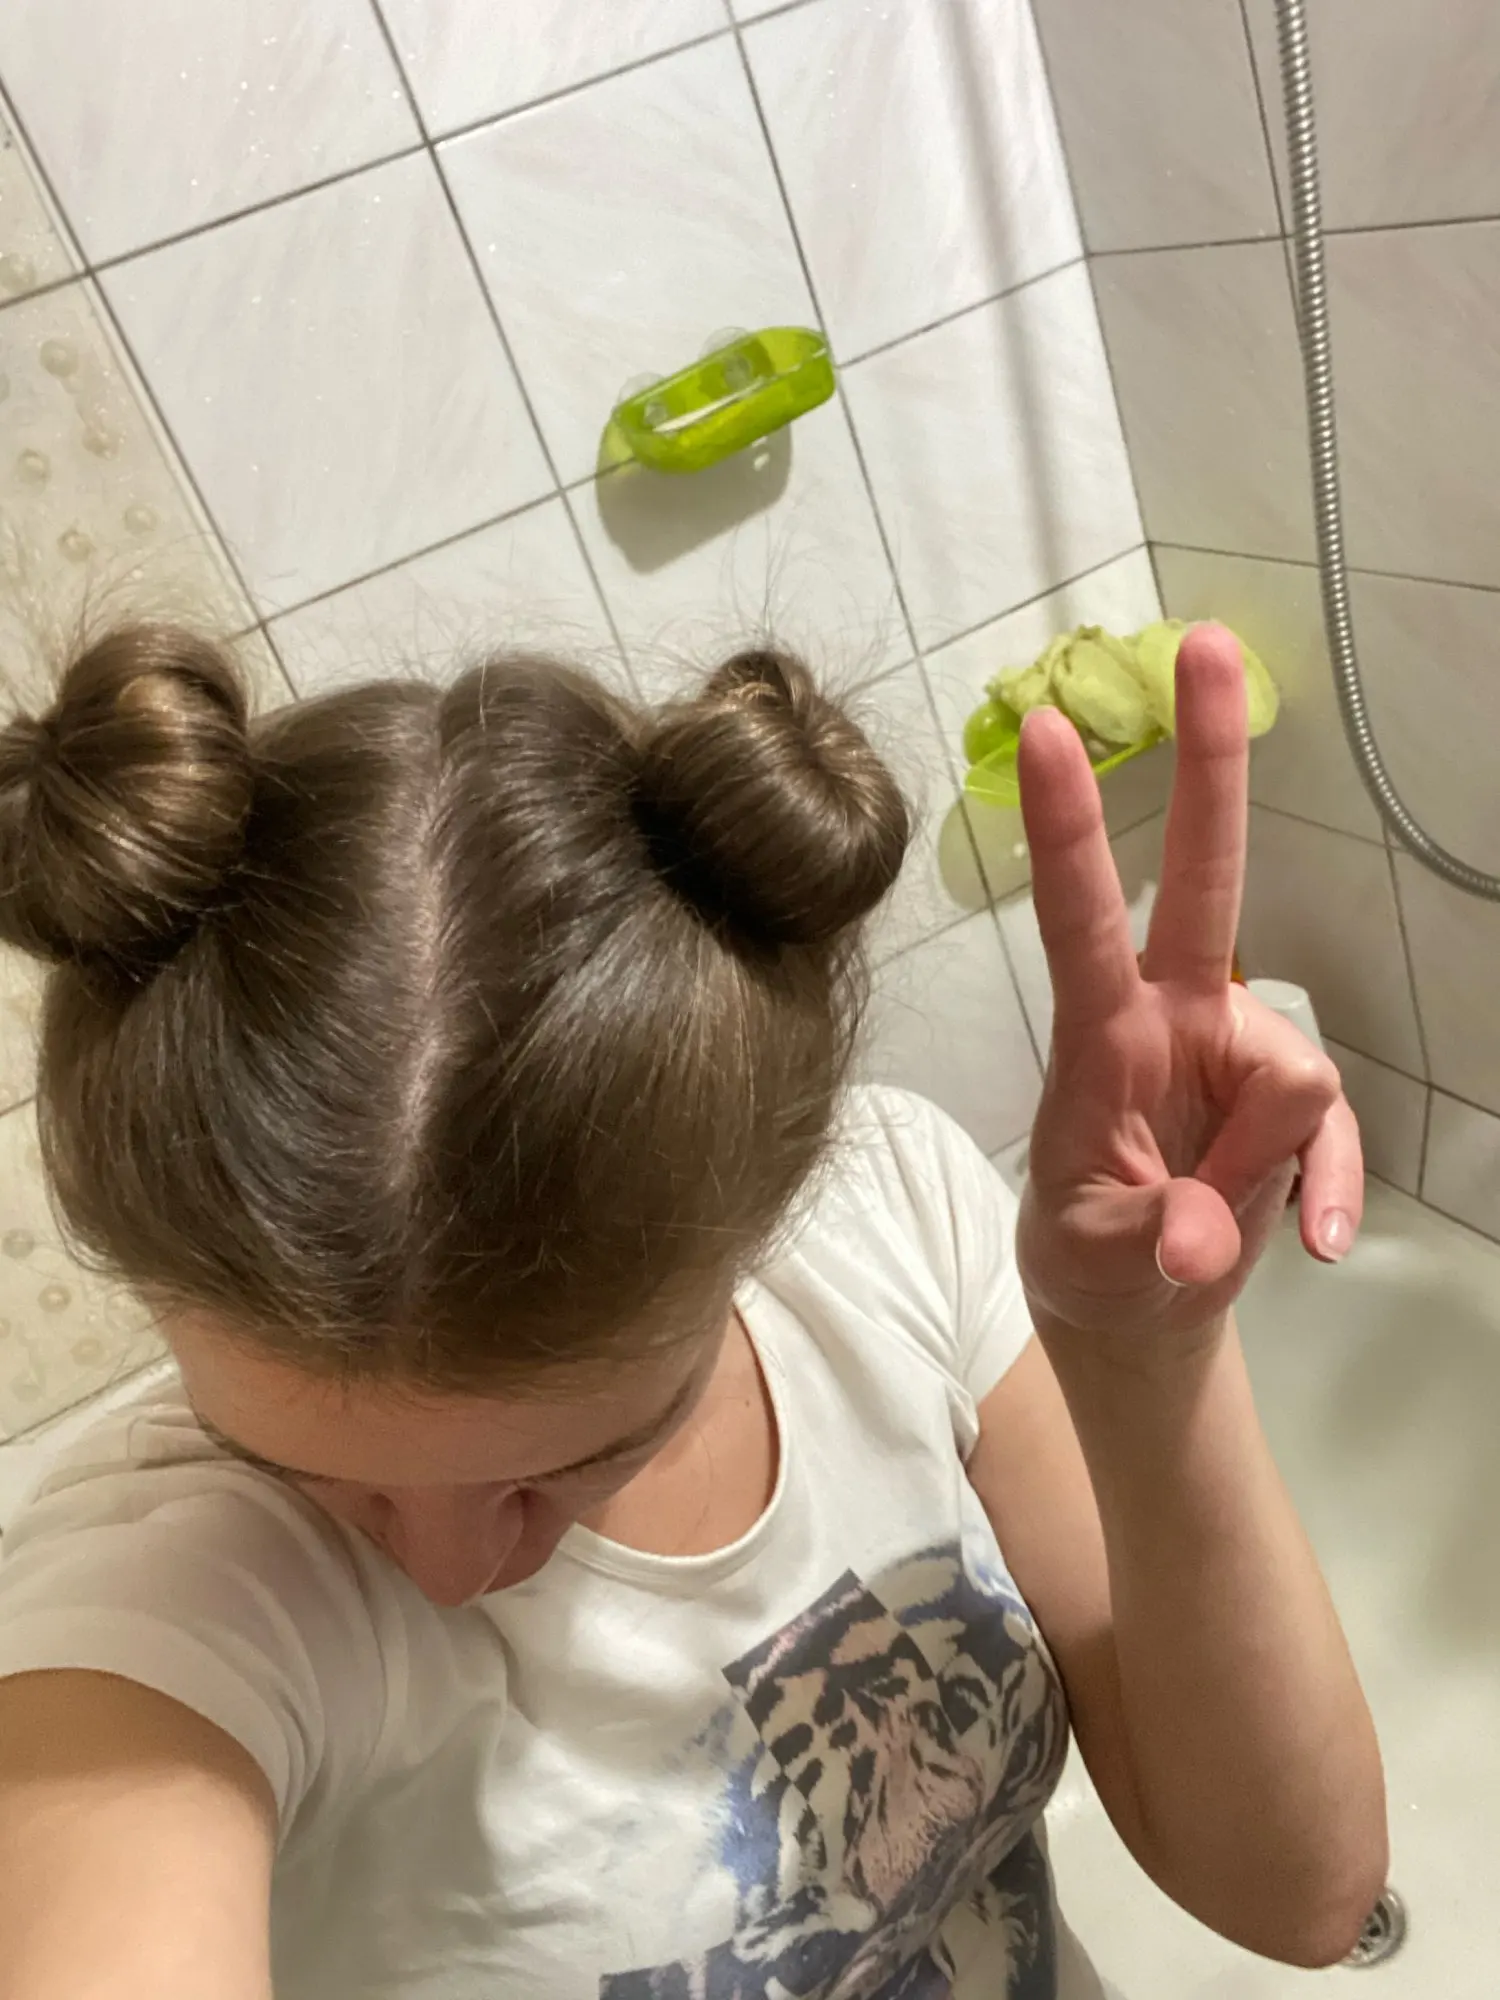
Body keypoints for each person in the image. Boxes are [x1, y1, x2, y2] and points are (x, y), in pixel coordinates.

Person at [0, 618, 1384, 2000]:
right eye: (303, 1465)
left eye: (571, 1461)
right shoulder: (170, 1593)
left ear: (748, 1241)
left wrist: (1146, 1361)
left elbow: (1302, 1899)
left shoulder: (888, 1216)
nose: (450, 1573)